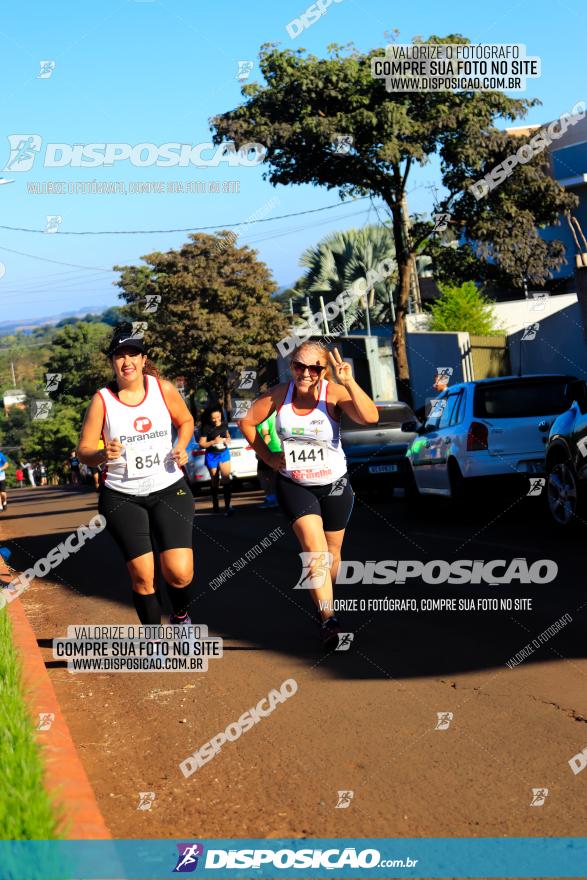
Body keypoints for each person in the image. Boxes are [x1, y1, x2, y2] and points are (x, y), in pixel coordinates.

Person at [240, 343, 378, 648]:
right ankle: (329, 619)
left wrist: (350, 382)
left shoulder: (334, 393)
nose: (305, 373)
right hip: (295, 484)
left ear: (322, 371)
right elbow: (246, 422)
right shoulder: (279, 395)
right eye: (299, 366)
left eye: (314, 368)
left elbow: (370, 418)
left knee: (332, 553)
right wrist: (269, 457)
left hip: (335, 484)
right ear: (291, 367)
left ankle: (324, 601)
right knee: (314, 550)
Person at [77, 324, 196, 626]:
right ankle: (154, 638)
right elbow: (84, 450)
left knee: (179, 572)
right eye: (120, 355)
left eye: (133, 354)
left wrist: (181, 446)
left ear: (144, 359)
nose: (126, 361)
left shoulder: (162, 389)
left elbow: (185, 420)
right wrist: (102, 454)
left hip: (169, 488)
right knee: (144, 576)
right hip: (121, 495)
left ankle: (181, 616)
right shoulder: (102, 400)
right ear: (112, 362)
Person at [199, 407, 233, 516]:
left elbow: (227, 435)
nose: (216, 420)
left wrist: (228, 440)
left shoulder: (224, 424)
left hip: (223, 453)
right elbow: (201, 444)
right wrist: (214, 441)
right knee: (215, 481)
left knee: (226, 478)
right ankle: (216, 504)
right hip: (211, 455)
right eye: (213, 418)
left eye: (218, 417)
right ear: (209, 418)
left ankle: (228, 507)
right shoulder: (206, 427)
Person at [256, 411, 280, 509]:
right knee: (272, 476)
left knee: (264, 475)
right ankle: (273, 499)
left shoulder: (265, 416)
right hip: (278, 449)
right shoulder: (278, 412)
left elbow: (266, 435)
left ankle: (272, 499)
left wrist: (261, 452)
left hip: (270, 450)